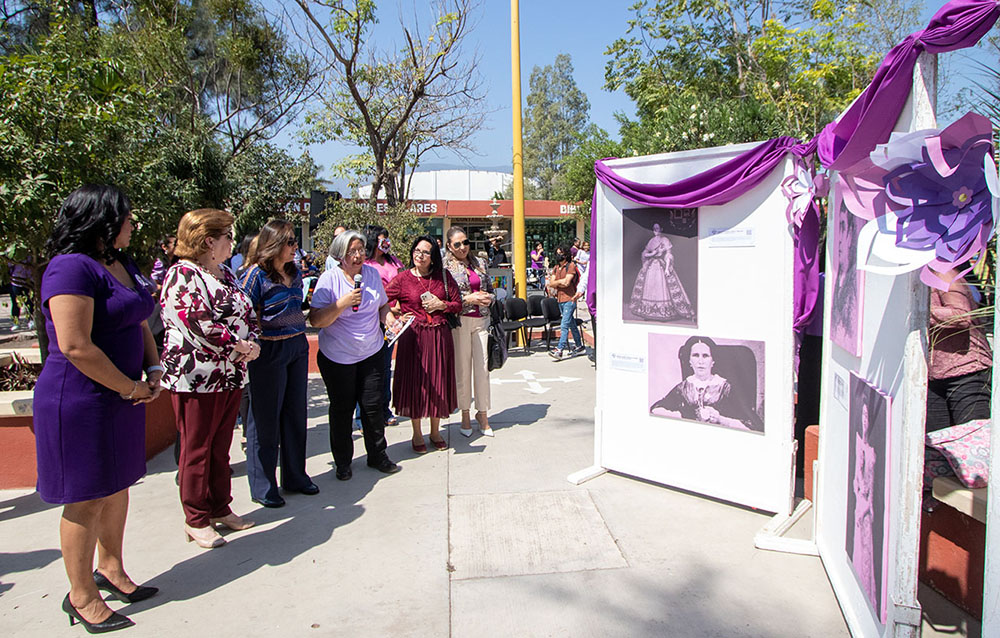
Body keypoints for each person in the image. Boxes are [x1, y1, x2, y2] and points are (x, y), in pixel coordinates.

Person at [34, 184, 159, 632]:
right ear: (102, 220)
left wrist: (154, 368)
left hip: (123, 396)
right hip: (80, 400)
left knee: (118, 485)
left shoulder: (120, 262)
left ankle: (112, 568)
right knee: (85, 497)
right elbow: (74, 345)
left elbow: (139, 317)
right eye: (126, 217)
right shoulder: (69, 268)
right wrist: (129, 387)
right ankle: (81, 595)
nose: (132, 224)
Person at [160, 209, 260, 549]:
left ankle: (220, 506)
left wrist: (252, 343)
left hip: (230, 374)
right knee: (197, 448)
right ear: (208, 241)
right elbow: (198, 323)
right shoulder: (182, 275)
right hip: (197, 376)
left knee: (220, 447)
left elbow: (247, 311)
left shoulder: (225, 273)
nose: (232, 242)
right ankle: (196, 518)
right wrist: (239, 345)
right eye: (227, 237)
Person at [310, 230, 401, 480]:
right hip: (338, 357)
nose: (359, 255)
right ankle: (343, 462)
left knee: (373, 408)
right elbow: (316, 319)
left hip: (371, 352)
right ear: (340, 255)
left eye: (361, 249)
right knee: (342, 409)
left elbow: (382, 305)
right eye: (352, 251)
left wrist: (390, 319)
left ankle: (378, 455)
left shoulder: (370, 274)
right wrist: (342, 303)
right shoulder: (329, 279)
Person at [239, 220, 317, 508]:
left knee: (296, 414)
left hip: (296, 345)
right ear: (272, 244)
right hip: (268, 350)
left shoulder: (296, 274)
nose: (294, 248)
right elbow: (242, 313)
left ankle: (295, 476)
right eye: (289, 243)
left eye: (294, 242)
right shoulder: (254, 276)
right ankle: (264, 485)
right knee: (265, 419)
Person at [385, 236, 462, 453]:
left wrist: (442, 304)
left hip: (439, 336)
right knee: (416, 384)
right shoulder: (402, 279)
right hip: (414, 338)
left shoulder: (443, 277)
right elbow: (381, 299)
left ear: (433, 257)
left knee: (438, 382)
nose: (419, 255)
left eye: (425, 252)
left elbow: (458, 304)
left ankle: (435, 431)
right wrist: (393, 312)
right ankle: (417, 433)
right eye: (417, 250)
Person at [444, 226, 496, 438]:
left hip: (482, 320)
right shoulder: (445, 268)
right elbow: (445, 298)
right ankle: (465, 413)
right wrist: (468, 299)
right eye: (457, 244)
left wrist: (488, 298)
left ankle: (482, 414)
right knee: (462, 369)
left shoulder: (480, 263)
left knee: (482, 368)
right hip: (460, 322)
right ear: (449, 246)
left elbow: (491, 289)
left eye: (465, 242)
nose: (463, 247)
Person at [649, 336, 763, 432]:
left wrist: (720, 419)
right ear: (689, 361)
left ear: (712, 361)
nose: (700, 361)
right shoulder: (683, 387)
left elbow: (752, 424)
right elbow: (655, 409)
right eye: (695, 355)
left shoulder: (725, 387)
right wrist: (683, 415)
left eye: (705, 356)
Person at [926, 269, 992, 430]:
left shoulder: (941, 272)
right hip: (932, 375)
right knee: (934, 445)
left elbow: (961, 316)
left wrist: (921, 312)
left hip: (967, 371)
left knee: (971, 437)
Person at [364, 225, 405, 427]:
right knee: (367, 369)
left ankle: (384, 410)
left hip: (391, 322)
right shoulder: (365, 264)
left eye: (387, 239)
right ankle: (362, 417)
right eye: (382, 239)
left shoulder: (394, 261)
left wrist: (397, 307)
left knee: (385, 366)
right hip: (371, 321)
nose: (386, 242)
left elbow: (402, 283)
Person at [628, 223, 694, 322]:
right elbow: (644, 253)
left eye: (658, 229)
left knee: (661, 286)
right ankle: (648, 310)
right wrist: (652, 253)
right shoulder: (651, 241)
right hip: (651, 265)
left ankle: (663, 311)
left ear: (661, 229)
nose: (656, 231)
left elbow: (669, 254)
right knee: (650, 285)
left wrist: (667, 268)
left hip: (660, 265)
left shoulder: (665, 240)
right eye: (654, 229)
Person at [852, 403, 877, 605]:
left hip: (867, 513)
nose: (865, 419)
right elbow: (856, 482)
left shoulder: (871, 452)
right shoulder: (860, 444)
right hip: (861, 509)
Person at [547, 243, 585, 360]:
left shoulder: (571, 266)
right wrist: (559, 282)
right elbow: (551, 283)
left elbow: (567, 282)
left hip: (570, 299)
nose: (559, 256)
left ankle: (559, 349)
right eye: (557, 253)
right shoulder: (555, 268)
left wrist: (557, 282)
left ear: (566, 255)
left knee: (564, 325)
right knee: (571, 323)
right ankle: (579, 346)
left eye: (561, 253)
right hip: (560, 299)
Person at [9, 258, 34, 331]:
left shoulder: (29, 255)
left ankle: (31, 320)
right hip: (16, 281)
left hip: (27, 281)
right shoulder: (15, 255)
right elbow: (9, 265)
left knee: (29, 302)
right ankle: (15, 322)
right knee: (15, 303)